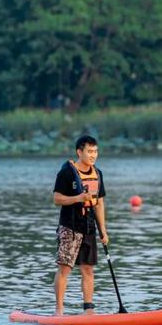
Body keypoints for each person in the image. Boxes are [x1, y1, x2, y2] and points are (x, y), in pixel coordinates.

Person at [53, 134, 109, 314]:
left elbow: (99, 203)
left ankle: (88, 309)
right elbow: (56, 199)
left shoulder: (98, 173)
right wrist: (78, 198)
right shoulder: (67, 172)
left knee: (88, 269)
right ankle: (59, 309)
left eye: (96, 151)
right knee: (65, 268)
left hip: (89, 226)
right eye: (89, 151)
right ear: (79, 152)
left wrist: (103, 230)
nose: (93, 155)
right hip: (70, 225)